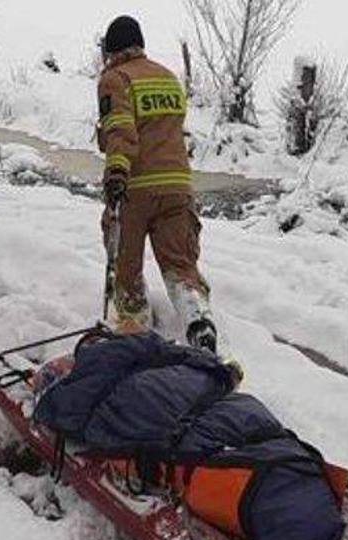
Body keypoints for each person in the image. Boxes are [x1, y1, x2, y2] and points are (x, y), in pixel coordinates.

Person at [94, 15, 215, 352]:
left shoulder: (115, 79)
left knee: (126, 268)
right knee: (181, 265)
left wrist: (116, 173)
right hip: (178, 187)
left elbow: (120, 130)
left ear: (111, 50)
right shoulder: (168, 78)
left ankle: (135, 331)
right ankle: (198, 321)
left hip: (136, 189)